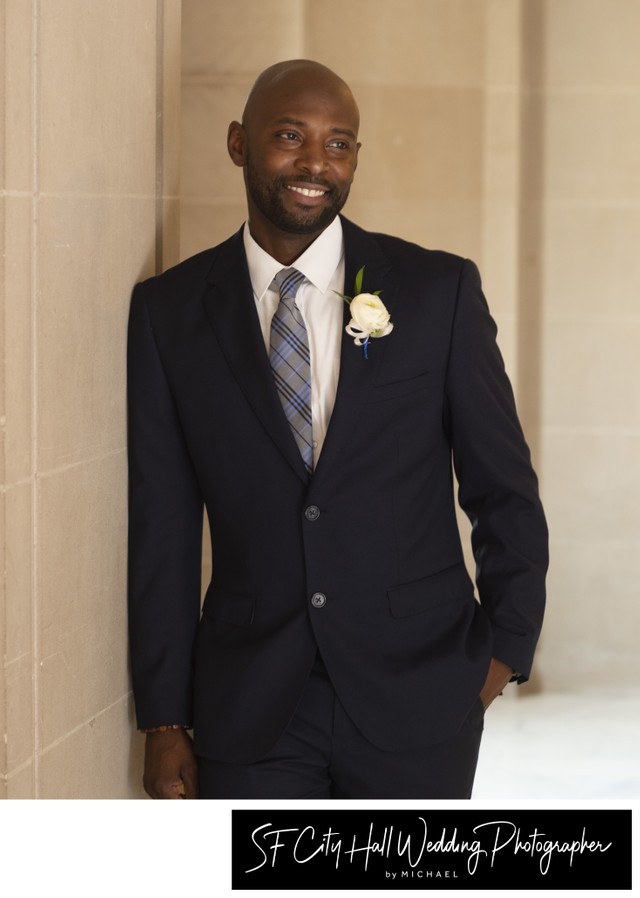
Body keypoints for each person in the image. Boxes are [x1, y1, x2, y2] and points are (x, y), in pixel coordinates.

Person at [127, 59, 548, 799]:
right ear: (238, 144)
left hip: (420, 696)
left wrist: (502, 655)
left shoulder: (437, 292)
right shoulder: (170, 313)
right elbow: (161, 519)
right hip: (252, 708)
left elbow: (503, 486)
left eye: (340, 143)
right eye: (290, 136)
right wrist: (163, 718)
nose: (315, 162)